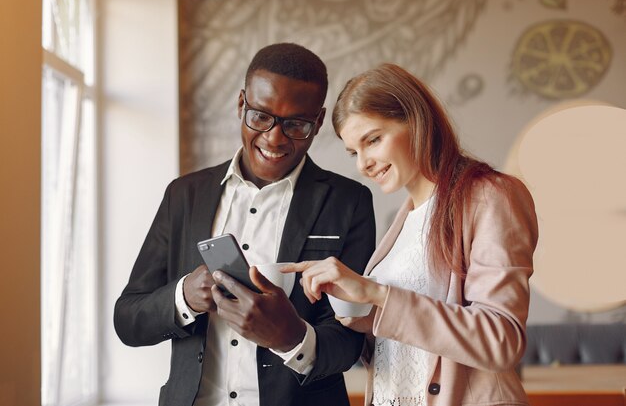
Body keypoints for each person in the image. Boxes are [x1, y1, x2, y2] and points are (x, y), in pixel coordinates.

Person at [113, 43, 376, 406]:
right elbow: (128, 319)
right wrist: (184, 296)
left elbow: (352, 341)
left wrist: (292, 337)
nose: (274, 137)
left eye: (296, 124)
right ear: (241, 105)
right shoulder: (184, 195)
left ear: (317, 123)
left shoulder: (350, 201)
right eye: (261, 116)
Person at [284, 63, 539, 405]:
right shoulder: (404, 221)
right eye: (354, 152)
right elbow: (406, 342)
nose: (363, 164)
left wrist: (376, 292)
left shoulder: (489, 196)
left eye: (372, 140)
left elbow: (501, 340)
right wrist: (357, 312)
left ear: (416, 120)